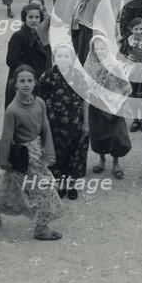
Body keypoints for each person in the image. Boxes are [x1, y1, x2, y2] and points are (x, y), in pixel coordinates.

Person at [0, 65, 63, 240]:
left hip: (37, 150)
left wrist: (49, 152)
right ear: (15, 85)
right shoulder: (12, 110)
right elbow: (6, 137)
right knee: (45, 188)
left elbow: (45, 128)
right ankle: (41, 228)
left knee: (10, 182)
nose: (26, 84)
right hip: (24, 156)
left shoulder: (39, 103)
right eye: (22, 81)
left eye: (29, 80)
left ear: (34, 83)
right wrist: (4, 161)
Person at [38, 45, 89, 200]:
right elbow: (40, 101)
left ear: (72, 59)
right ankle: (59, 184)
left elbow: (85, 100)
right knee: (57, 154)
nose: (63, 59)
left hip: (76, 123)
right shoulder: (47, 76)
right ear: (54, 58)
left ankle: (71, 185)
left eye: (67, 56)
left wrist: (86, 123)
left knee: (76, 153)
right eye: (60, 56)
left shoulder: (78, 76)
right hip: (54, 124)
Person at [85, 35, 132, 180]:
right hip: (97, 105)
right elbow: (86, 85)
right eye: (96, 48)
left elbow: (125, 85)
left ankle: (116, 163)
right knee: (99, 133)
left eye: (102, 48)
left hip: (113, 106)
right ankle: (102, 160)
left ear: (107, 48)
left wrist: (117, 99)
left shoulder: (114, 65)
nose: (99, 51)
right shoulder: (89, 65)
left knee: (116, 134)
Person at [5, 4, 50, 107]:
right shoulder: (19, 36)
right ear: (24, 18)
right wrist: (29, 71)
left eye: (37, 17)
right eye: (30, 17)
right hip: (22, 81)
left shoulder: (37, 34)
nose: (34, 20)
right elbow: (11, 60)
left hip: (34, 81)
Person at [72, 0, 116, 65]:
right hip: (83, 29)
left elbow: (107, 17)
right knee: (81, 53)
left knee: (91, 54)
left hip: (95, 31)